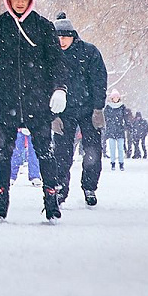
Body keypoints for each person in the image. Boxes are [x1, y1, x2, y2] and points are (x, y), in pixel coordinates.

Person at [0, 0, 68, 222]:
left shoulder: (44, 26)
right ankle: (1, 201)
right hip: (6, 101)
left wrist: (60, 88)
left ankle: (51, 200)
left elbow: (56, 62)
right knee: (3, 153)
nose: (20, 2)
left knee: (45, 151)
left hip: (38, 100)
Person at [50, 13, 107, 207]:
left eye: (65, 37)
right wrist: (52, 115)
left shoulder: (89, 52)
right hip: (62, 111)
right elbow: (43, 85)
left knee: (92, 151)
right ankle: (60, 188)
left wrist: (98, 108)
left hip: (88, 109)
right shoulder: (49, 55)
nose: (62, 41)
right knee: (62, 152)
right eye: (58, 37)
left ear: (73, 36)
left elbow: (99, 81)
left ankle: (89, 186)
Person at [104, 90, 128, 171]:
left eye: (117, 97)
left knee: (120, 148)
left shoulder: (122, 107)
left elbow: (126, 118)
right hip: (111, 130)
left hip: (120, 130)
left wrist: (127, 126)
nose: (116, 98)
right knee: (112, 148)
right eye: (114, 97)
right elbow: (106, 119)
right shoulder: (108, 107)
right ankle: (113, 163)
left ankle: (121, 163)